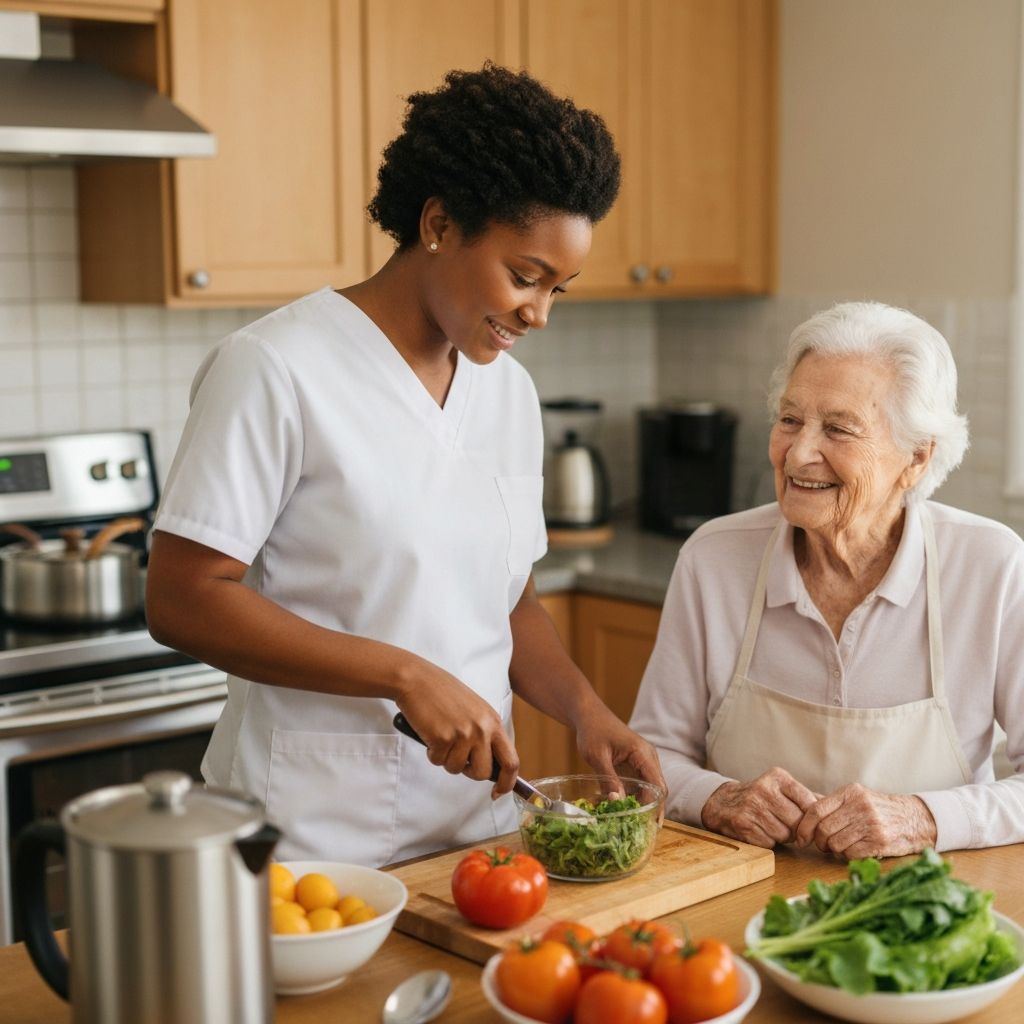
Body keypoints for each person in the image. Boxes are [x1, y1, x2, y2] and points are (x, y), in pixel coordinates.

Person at [145, 64, 665, 865]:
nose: (540, 313)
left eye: (560, 289)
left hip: (479, 835)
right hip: (312, 838)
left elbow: (510, 603)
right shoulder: (275, 369)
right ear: (439, 223)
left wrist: (586, 709)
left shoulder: (510, 395)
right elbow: (183, 600)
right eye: (525, 277)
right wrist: (404, 675)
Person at [629, 301, 1024, 859]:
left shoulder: (992, 566)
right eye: (790, 420)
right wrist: (719, 797)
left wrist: (925, 817)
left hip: (925, 909)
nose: (799, 452)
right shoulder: (714, 558)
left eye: (838, 428)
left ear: (915, 458)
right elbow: (652, 754)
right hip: (742, 897)